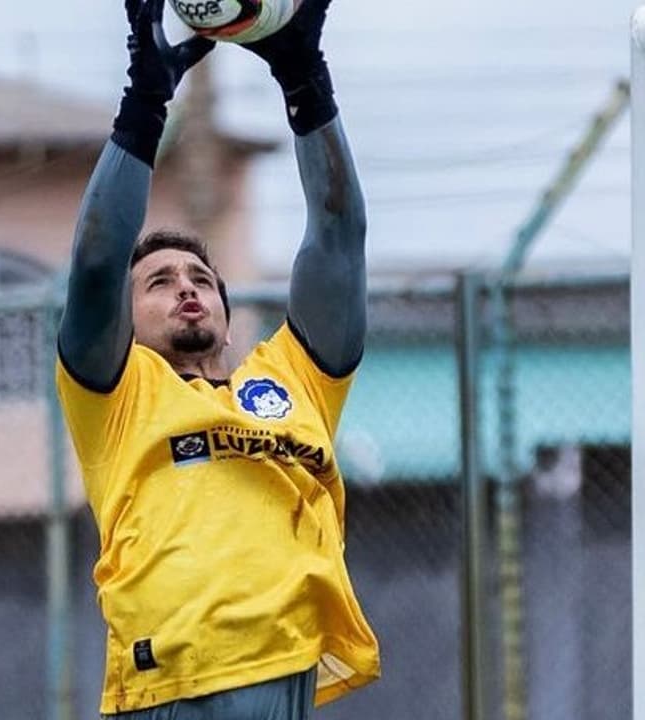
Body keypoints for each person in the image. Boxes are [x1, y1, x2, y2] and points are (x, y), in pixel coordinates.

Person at [55, 0, 380, 716]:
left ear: (230, 318)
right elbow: (98, 258)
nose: (188, 290)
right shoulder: (118, 394)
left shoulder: (295, 380)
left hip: (283, 675)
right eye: (161, 283)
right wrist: (144, 104)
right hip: (172, 688)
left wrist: (305, 83)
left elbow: (338, 236)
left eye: (201, 279)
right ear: (125, 321)